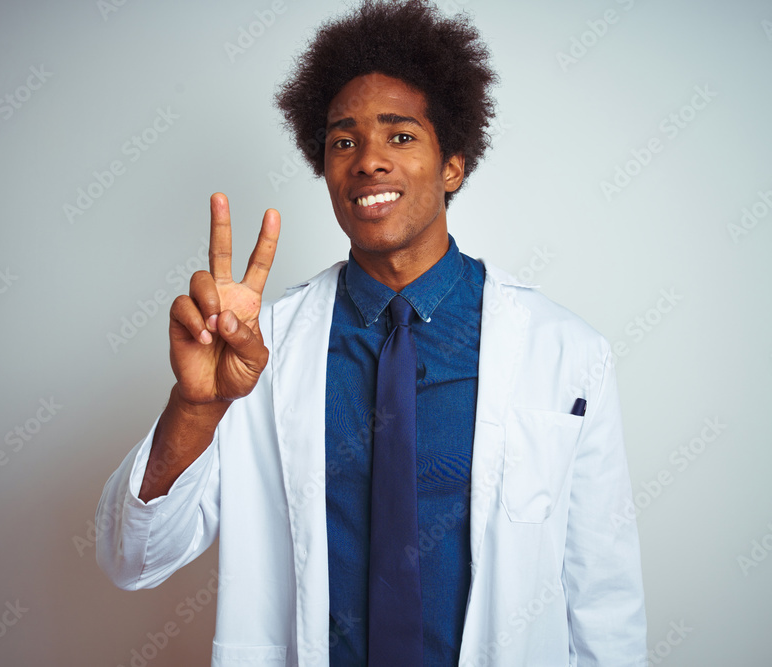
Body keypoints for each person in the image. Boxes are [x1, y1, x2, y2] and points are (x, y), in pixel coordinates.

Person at [96, 1, 647, 665]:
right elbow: (131, 559)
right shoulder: (257, 349)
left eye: (401, 136)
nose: (369, 161)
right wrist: (198, 406)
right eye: (343, 140)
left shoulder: (566, 352)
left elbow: (604, 599)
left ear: (453, 165)